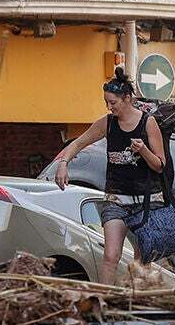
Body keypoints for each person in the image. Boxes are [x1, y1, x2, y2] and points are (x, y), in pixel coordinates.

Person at [53, 67, 167, 285]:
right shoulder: (107, 123)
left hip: (146, 201)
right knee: (110, 255)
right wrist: (63, 163)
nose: (109, 107)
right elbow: (78, 142)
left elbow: (160, 165)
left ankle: (137, 303)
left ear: (127, 99)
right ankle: (104, 301)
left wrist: (143, 150)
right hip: (116, 198)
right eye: (107, 102)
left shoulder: (147, 123)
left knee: (142, 259)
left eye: (113, 102)